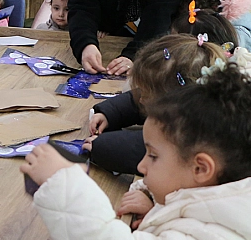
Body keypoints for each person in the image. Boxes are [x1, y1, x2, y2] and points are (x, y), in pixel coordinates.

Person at [21, 62, 251, 240]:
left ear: (201, 169)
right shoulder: (223, 203)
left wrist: (65, 186)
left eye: (153, 156)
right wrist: (156, 206)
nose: (141, 165)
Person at [85, 34, 226, 175]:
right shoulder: (184, 98)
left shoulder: (198, 132)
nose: (141, 100)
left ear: (173, 103)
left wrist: (101, 146)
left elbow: (149, 150)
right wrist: (109, 112)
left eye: (146, 95)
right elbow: (136, 100)